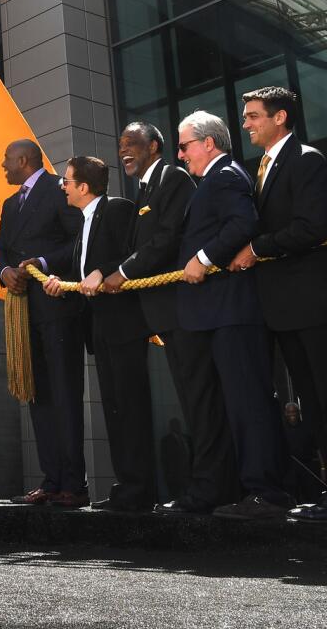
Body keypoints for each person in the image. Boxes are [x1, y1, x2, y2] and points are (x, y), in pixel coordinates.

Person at [231, 86, 327, 521]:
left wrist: (256, 249)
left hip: (315, 302)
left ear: (280, 118)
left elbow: (312, 227)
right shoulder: (261, 167)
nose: (247, 123)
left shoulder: (308, 161)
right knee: (315, 403)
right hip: (285, 308)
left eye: (254, 116)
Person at [104, 122, 235, 514]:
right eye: (121, 143)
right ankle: (206, 487)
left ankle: (212, 489)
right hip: (162, 313)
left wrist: (123, 272)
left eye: (133, 143)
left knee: (201, 400)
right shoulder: (146, 186)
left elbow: (166, 239)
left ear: (155, 146)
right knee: (191, 399)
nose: (124, 149)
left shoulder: (173, 178)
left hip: (183, 309)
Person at [174, 111, 293, 520]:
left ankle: (267, 492)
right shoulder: (212, 179)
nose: (180, 153)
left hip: (233, 312)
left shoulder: (226, 175)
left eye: (185, 144)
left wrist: (203, 258)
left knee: (248, 403)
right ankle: (230, 489)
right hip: (213, 313)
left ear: (209, 143)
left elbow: (244, 222)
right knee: (224, 407)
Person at [43, 155, 154, 511]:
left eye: (67, 180)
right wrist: (65, 282)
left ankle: (140, 490)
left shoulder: (119, 210)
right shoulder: (84, 222)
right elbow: (85, 272)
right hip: (100, 328)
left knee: (131, 408)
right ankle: (127, 489)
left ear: (84, 187)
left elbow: (132, 254)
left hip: (124, 325)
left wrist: (103, 270)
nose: (63, 185)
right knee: (115, 409)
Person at [0, 138, 82, 506]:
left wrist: (41, 264)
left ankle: (74, 485)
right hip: (23, 313)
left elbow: (79, 242)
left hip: (58, 310)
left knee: (63, 394)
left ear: (24, 160)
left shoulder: (60, 188)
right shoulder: (10, 204)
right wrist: (5, 271)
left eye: (6, 159)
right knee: (38, 396)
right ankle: (51, 480)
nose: (3, 166)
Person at [282, 403, 325, 504]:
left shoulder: (307, 428)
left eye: (294, 412)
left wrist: (323, 468)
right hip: (290, 468)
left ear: (298, 413)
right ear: (285, 414)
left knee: (311, 496)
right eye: (289, 412)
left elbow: (318, 449)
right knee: (292, 496)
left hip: (307, 466)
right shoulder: (282, 430)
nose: (292, 414)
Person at [159, 418, 192, 501]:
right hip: (174, 474)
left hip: (188, 472)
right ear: (171, 427)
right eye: (174, 425)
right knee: (175, 495)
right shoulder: (166, 441)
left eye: (178, 424)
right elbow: (165, 459)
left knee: (189, 493)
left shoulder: (187, 438)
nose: (177, 427)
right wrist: (168, 473)